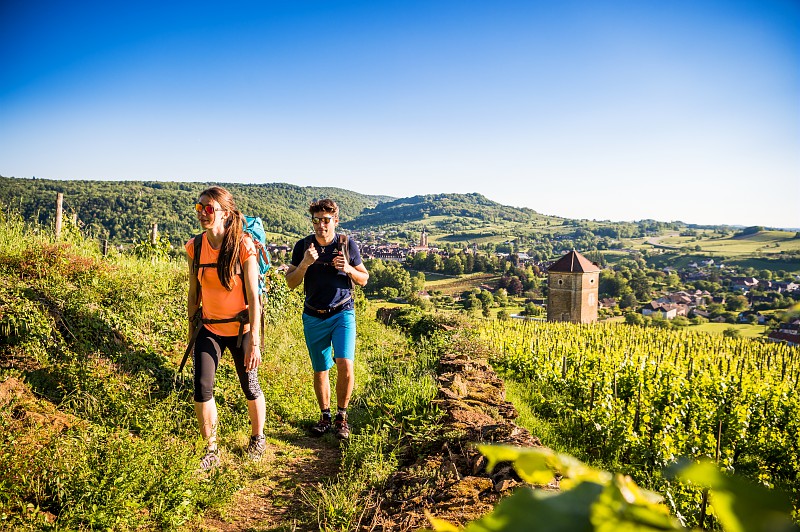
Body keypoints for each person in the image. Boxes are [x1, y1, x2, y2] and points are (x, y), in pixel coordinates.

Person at [186, 186, 266, 470]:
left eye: (209, 208)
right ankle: (211, 449)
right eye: (199, 208)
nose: (203, 213)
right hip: (208, 328)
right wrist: (190, 330)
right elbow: (193, 292)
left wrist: (254, 341)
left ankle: (258, 438)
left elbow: (254, 298)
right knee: (202, 387)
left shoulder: (243, 246)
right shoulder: (194, 247)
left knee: (250, 385)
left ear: (225, 213)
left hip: (242, 329)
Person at [285, 199, 369, 440]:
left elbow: (364, 278)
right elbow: (291, 283)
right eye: (316, 220)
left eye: (326, 220)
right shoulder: (303, 246)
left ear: (335, 221)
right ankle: (325, 416)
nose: (321, 225)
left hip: (343, 312)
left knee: (345, 363)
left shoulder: (346, 244)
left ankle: (342, 417)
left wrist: (349, 269)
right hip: (313, 315)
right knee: (321, 370)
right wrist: (304, 264)